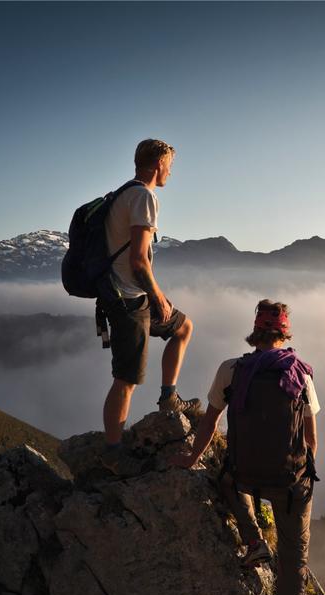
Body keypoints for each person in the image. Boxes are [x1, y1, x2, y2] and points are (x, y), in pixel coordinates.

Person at [175, 300, 320, 595]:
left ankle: (254, 541)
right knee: (293, 555)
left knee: (224, 481)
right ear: (284, 333)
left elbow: (210, 421)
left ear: (255, 331)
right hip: (290, 481)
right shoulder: (299, 372)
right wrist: (303, 470)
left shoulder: (232, 370)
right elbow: (312, 438)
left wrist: (192, 457)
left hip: (245, 474)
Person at [100, 139, 197, 475]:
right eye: (169, 165)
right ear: (158, 164)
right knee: (126, 380)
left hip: (129, 296)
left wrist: (157, 296)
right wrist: (158, 297)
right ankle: (113, 453)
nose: (171, 171)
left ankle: (169, 397)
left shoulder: (122, 194)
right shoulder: (144, 197)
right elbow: (139, 261)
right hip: (128, 301)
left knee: (183, 327)